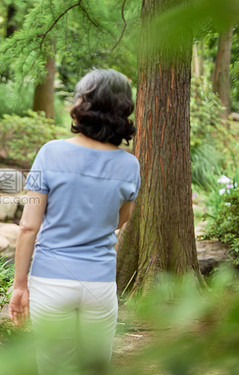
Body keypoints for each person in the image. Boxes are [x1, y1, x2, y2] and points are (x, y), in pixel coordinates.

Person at [8, 69, 140, 374]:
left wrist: (19, 284)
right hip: (100, 283)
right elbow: (121, 220)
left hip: (50, 282)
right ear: (122, 108)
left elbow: (29, 226)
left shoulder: (51, 153)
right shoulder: (128, 164)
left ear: (84, 104)